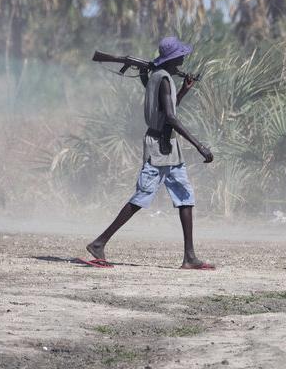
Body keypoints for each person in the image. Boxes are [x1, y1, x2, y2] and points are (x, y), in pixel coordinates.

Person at [84, 37, 215, 269]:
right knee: (142, 197)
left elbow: (167, 110)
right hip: (158, 147)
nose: (183, 59)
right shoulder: (162, 79)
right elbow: (171, 118)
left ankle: (189, 257)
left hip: (169, 147)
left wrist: (183, 91)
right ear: (173, 59)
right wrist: (199, 146)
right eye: (181, 56)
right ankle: (99, 243)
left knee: (185, 197)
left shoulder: (158, 77)